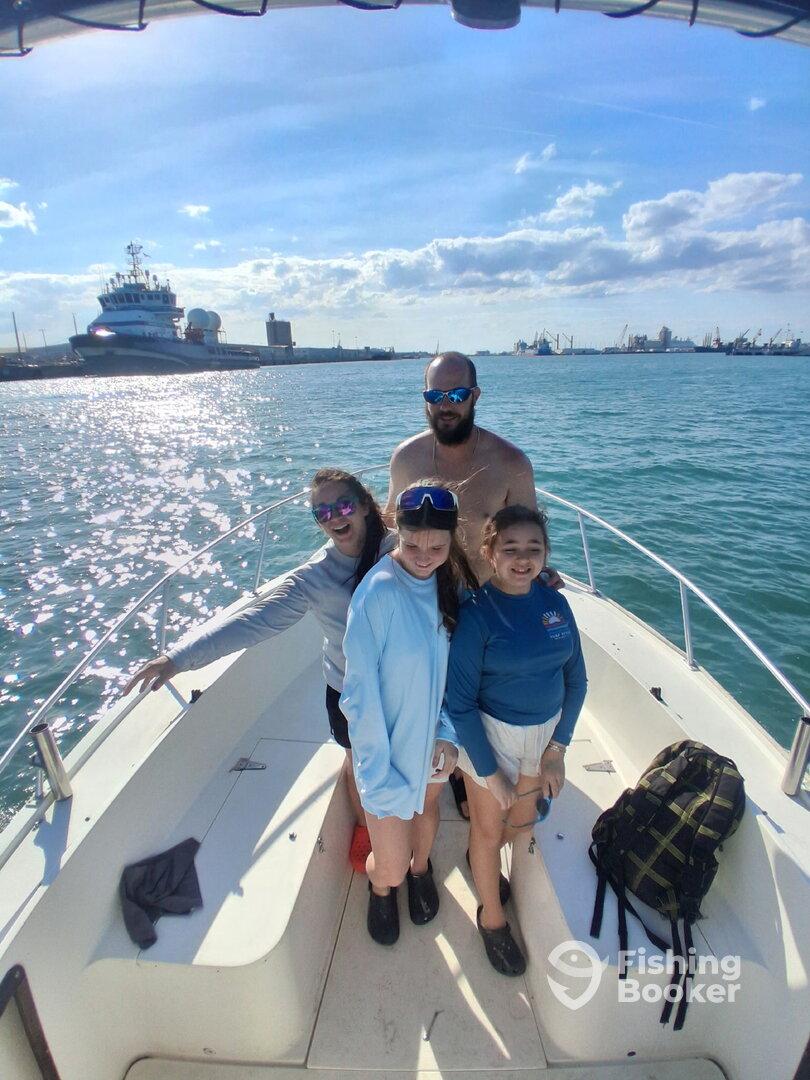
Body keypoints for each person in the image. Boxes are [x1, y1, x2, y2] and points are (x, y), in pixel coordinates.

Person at [122, 467, 393, 874]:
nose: (334, 517)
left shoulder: (402, 551)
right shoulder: (314, 577)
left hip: (398, 688)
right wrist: (179, 657)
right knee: (357, 762)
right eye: (321, 512)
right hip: (348, 691)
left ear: (365, 507)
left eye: (342, 505)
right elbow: (253, 620)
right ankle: (367, 832)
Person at [386, 350, 549, 821]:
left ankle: (469, 774)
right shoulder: (408, 456)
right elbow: (392, 524)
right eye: (435, 395)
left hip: (483, 603)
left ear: (475, 396)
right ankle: (431, 769)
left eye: (457, 394)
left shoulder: (511, 463)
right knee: (426, 692)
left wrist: (542, 577)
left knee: (477, 696)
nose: (447, 404)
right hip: (421, 599)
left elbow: (527, 536)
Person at [444, 505, 587, 976]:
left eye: (534, 549)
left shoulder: (555, 604)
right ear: (489, 552)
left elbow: (577, 681)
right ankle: (492, 918)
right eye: (511, 548)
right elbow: (460, 703)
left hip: (543, 737)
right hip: (490, 736)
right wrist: (486, 772)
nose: (523, 558)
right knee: (489, 830)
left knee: (522, 824)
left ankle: (476, 858)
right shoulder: (476, 615)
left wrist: (557, 752)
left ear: (545, 555)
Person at [340, 481, 478, 946]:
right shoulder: (376, 594)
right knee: (391, 862)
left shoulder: (451, 586)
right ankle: (383, 883)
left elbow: (458, 677)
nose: (424, 555)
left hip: (434, 751)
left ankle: (422, 867)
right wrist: (377, 778)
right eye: (412, 543)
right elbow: (358, 698)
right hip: (386, 757)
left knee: (428, 813)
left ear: (452, 538)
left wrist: (449, 736)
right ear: (395, 529)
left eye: (437, 545)